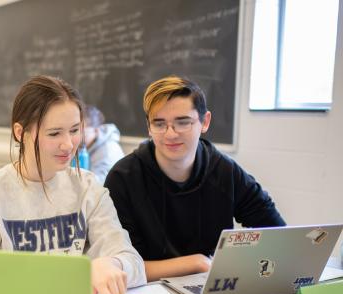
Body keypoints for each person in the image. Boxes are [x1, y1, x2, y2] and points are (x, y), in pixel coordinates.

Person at [0, 75, 146, 294]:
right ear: (19, 132)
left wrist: (114, 264)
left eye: (75, 130)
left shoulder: (88, 187)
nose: (68, 144)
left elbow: (133, 262)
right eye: (54, 133)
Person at [105, 76, 285, 282]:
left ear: (205, 122)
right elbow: (123, 266)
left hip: (209, 289)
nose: (170, 134)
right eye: (159, 124)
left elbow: (277, 234)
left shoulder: (225, 171)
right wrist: (197, 263)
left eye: (183, 123)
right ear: (148, 126)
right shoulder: (123, 178)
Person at [82, 105, 124, 183]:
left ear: (96, 130)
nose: (76, 137)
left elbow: (98, 187)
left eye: (82, 132)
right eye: (74, 131)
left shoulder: (108, 152)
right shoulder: (85, 147)